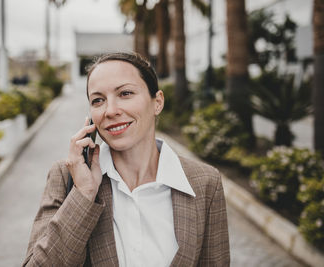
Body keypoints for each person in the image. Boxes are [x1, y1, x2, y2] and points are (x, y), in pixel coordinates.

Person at [22, 52, 230, 266]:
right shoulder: (67, 175)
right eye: (98, 100)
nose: (110, 111)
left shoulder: (205, 182)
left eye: (125, 93)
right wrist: (83, 195)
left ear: (157, 102)